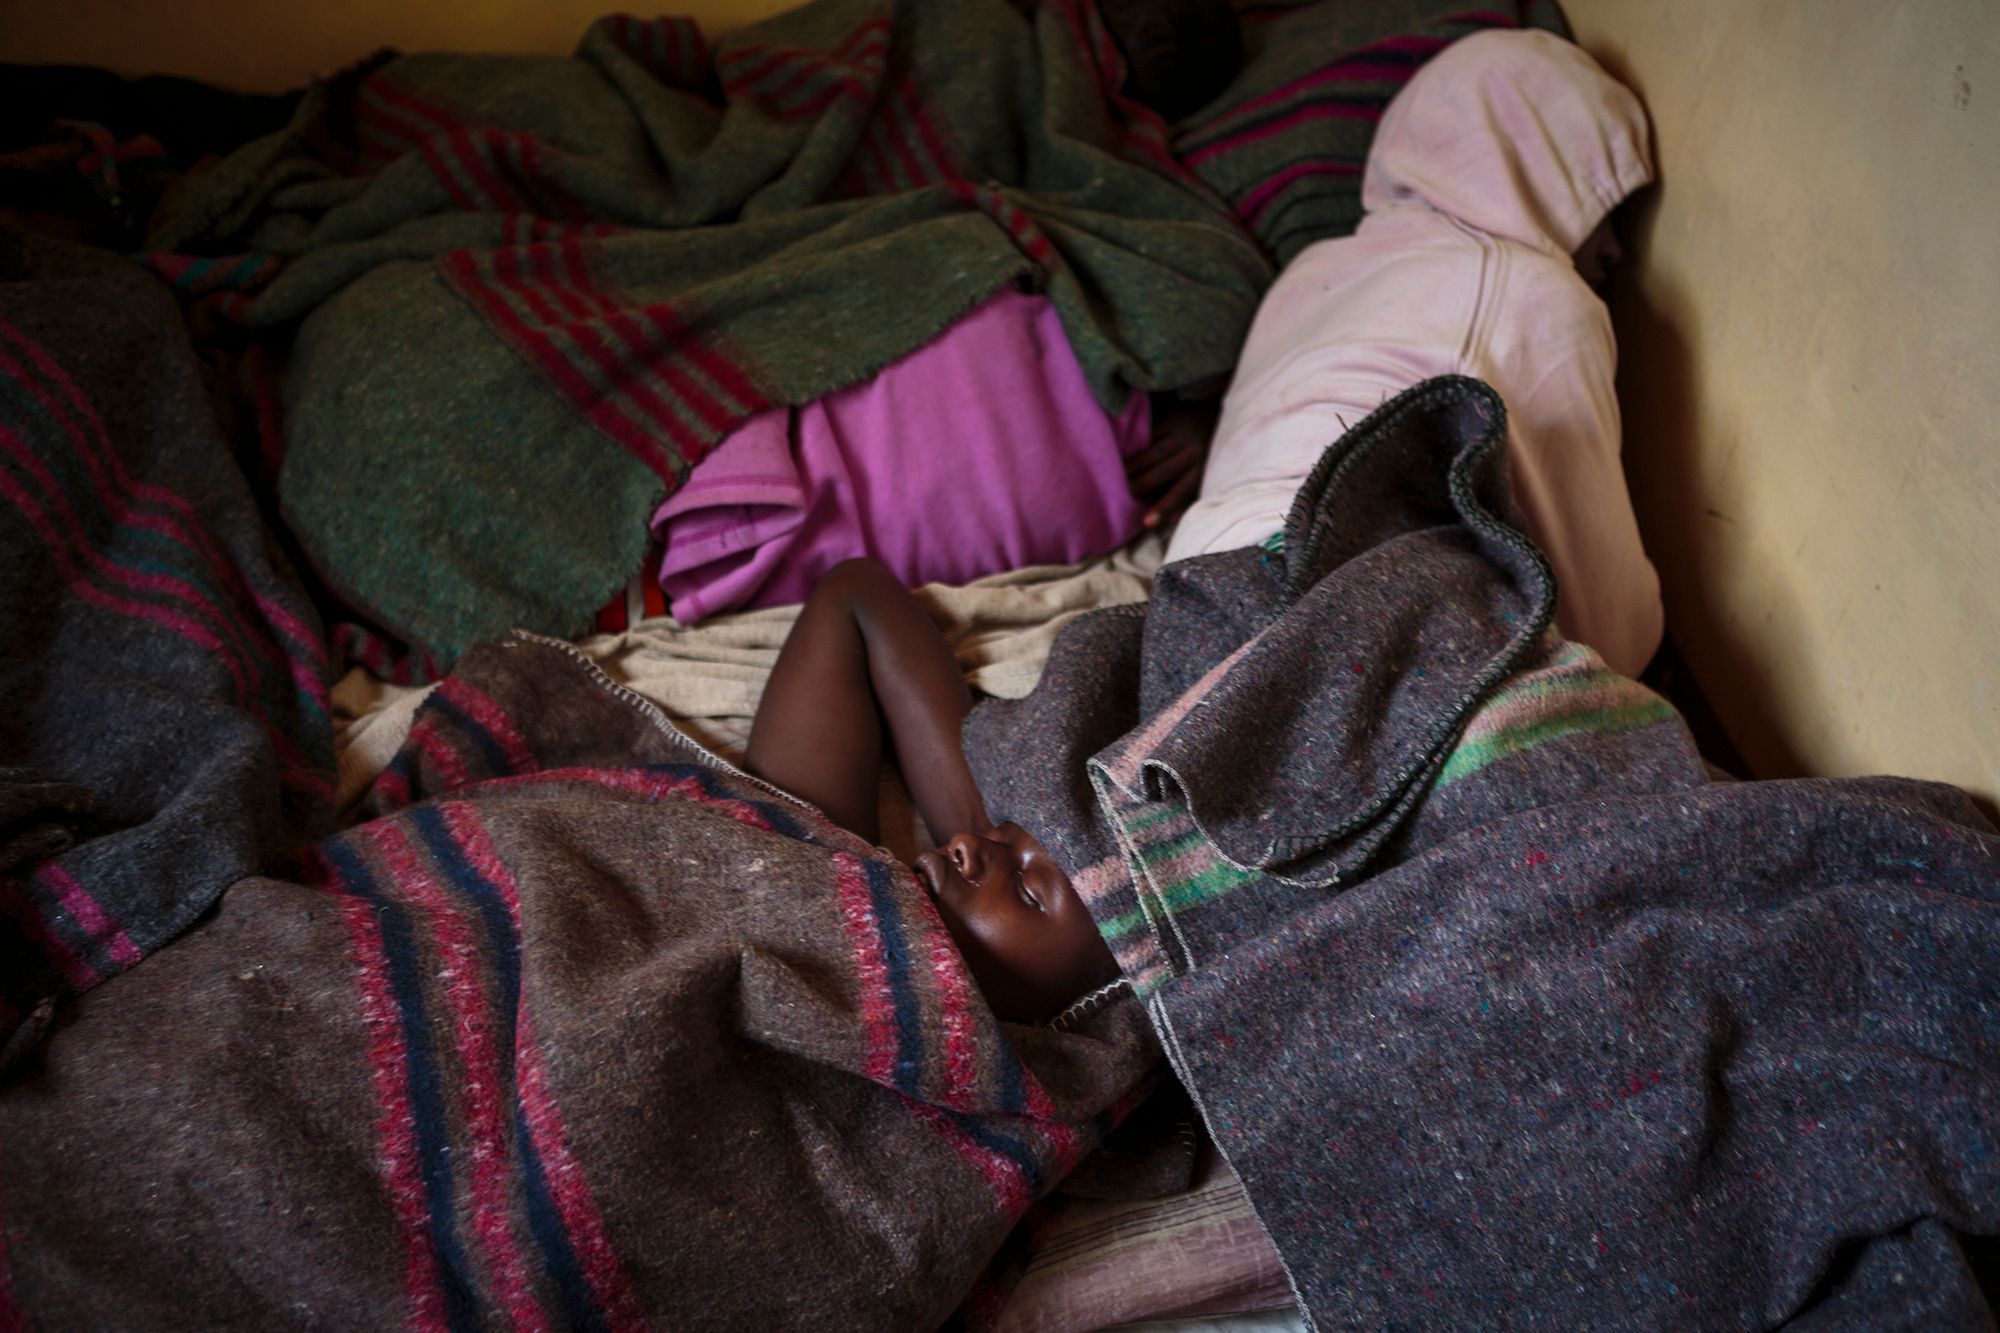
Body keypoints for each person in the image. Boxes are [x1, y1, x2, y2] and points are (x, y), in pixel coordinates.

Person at [1165, 29, 1666, 678]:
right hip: (1349, 593)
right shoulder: (1535, 293)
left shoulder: (1313, 267)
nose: (1615, 251)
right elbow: (1606, 618)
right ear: (1534, 166)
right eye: (1604, 203)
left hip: (1191, 586)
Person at [745, 555, 1120, 1022]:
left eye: (1028, 893)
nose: (964, 844)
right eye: (1004, 834)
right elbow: (854, 593)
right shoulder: (809, 875)